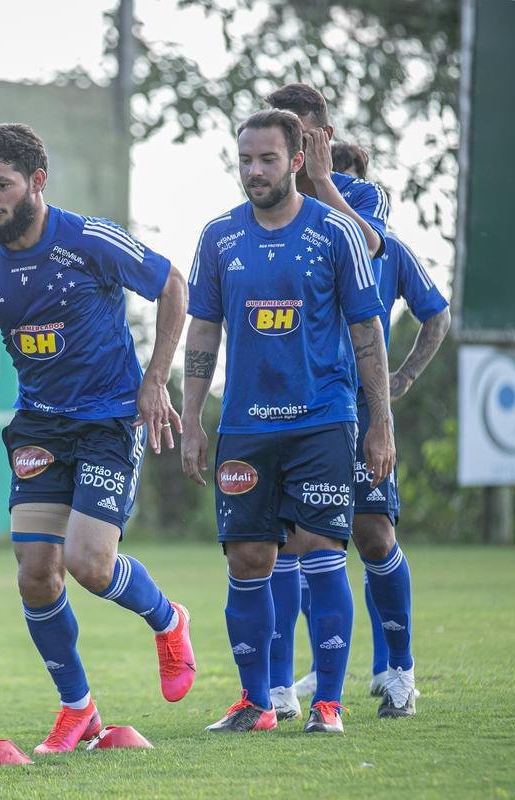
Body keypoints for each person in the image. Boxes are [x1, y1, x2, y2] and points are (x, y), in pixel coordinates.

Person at [0, 123, 196, 754]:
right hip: (40, 423)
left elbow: (172, 286)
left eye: (2, 185)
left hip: (108, 418)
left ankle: (168, 619)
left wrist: (155, 380)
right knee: (35, 573)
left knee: (87, 563)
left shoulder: (86, 239)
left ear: (37, 183)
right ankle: (78, 707)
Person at [181, 109, 395, 734]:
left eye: (267, 159)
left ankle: (328, 703)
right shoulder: (218, 237)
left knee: (324, 554)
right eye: (245, 160)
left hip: (322, 419)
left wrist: (380, 423)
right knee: (247, 559)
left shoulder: (336, 231)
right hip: (246, 425)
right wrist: (193, 419)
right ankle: (256, 702)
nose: (254, 171)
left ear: (297, 159)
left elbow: (367, 329)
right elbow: (203, 329)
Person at [292, 143, 450, 717]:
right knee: (301, 541)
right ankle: (302, 676)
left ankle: (396, 670)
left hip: (361, 404)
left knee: (373, 533)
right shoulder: (290, 231)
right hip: (303, 403)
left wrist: (402, 378)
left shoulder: (384, 243)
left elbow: (438, 313)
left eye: (344, 178)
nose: (335, 188)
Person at [261, 84, 393, 720]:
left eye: (304, 135)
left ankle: (396, 668)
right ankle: (284, 686)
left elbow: (369, 244)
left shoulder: (359, 196)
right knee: (282, 544)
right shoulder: (268, 205)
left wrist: (321, 179)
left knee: (367, 534)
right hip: (278, 402)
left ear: (323, 134)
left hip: (344, 400)